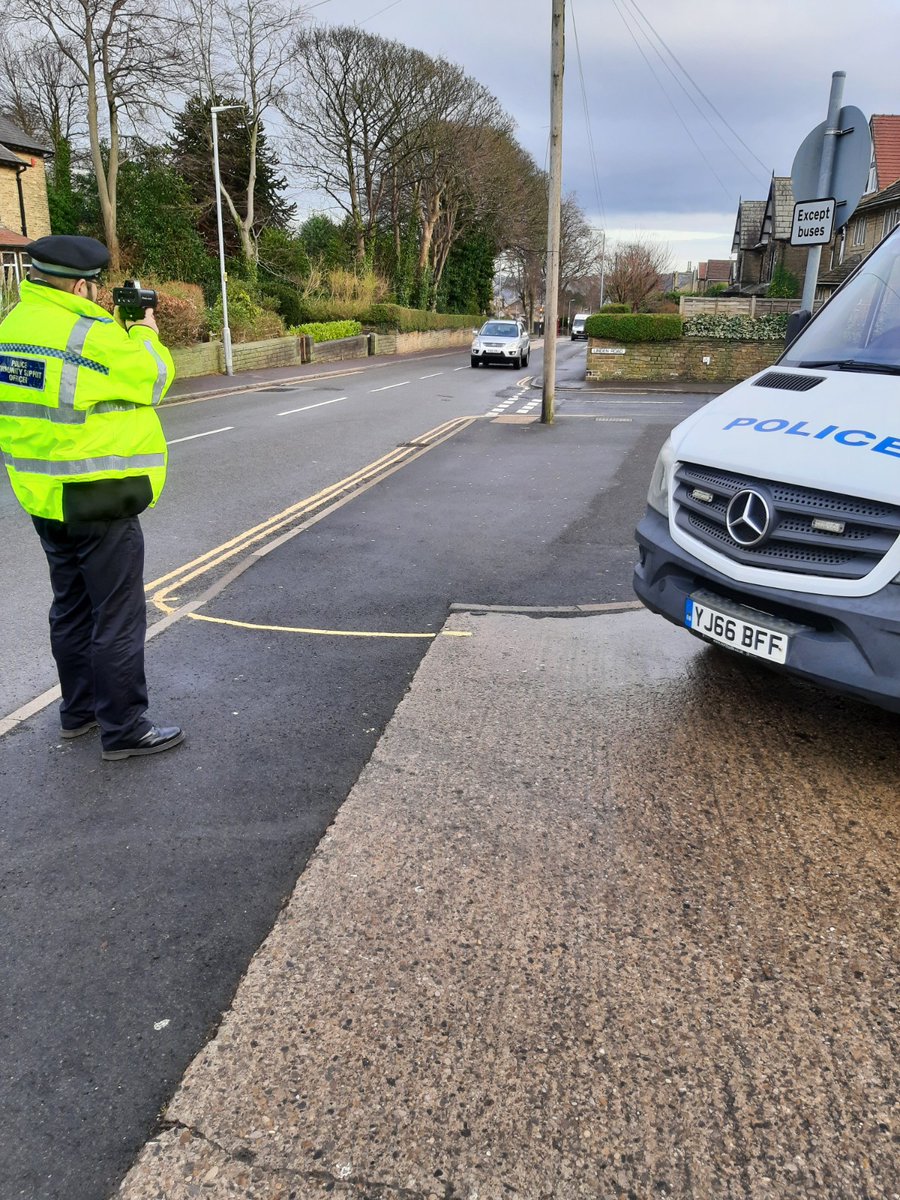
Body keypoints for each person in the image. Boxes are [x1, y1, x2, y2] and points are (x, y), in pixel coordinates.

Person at [0, 235, 184, 760]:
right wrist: (145, 333)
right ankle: (125, 728)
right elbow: (153, 379)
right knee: (118, 614)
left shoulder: (11, 328)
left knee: (71, 607)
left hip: (43, 496)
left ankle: (77, 713)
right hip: (100, 496)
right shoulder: (90, 334)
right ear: (80, 284)